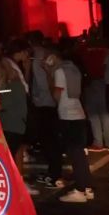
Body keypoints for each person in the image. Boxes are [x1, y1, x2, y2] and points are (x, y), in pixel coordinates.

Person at [45, 45, 93, 203]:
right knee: (80, 153)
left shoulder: (59, 71)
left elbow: (57, 94)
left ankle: (80, 190)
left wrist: (49, 77)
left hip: (67, 114)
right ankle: (87, 188)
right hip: (78, 112)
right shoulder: (75, 69)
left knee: (75, 153)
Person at [26, 31, 63, 190]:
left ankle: (54, 174)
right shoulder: (49, 54)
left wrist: (36, 98)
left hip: (43, 101)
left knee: (48, 139)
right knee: (52, 138)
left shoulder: (35, 57)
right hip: (51, 100)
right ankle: (54, 172)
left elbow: (39, 81)